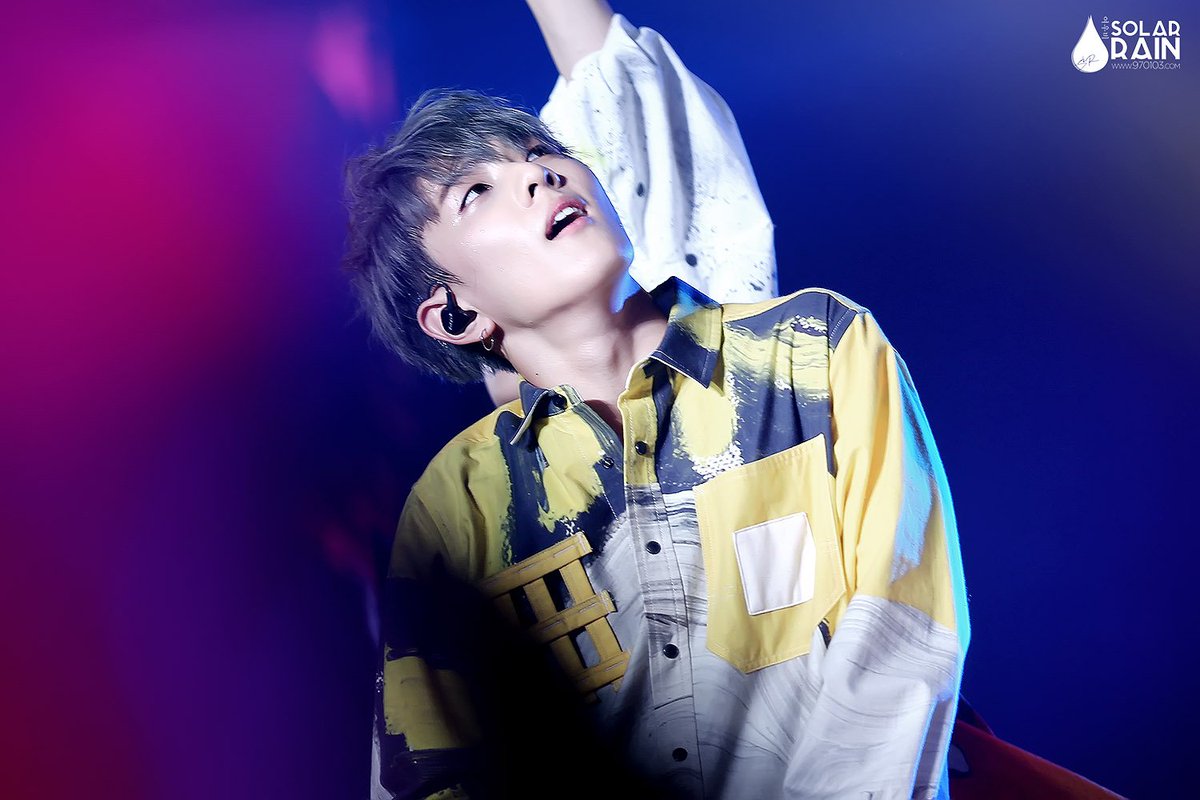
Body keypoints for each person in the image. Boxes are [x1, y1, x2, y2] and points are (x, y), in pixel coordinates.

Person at [346, 3, 969, 798]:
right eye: (476, 192)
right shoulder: (454, 507)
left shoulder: (815, 348)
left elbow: (901, 636)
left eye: (542, 152)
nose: (541, 174)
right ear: (455, 314)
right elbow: (431, 769)